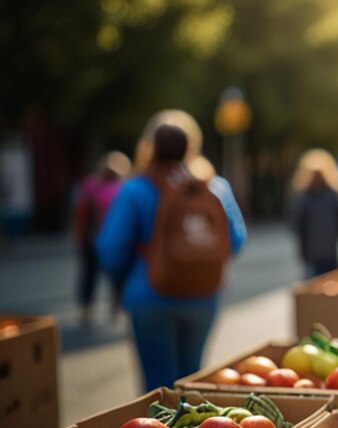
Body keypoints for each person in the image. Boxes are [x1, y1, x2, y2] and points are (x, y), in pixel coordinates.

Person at [96, 122, 246, 392]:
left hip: (150, 297)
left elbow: (110, 249)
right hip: (204, 296)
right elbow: (235, 241)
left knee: (158, 387)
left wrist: (131, 276)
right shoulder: (213, 187)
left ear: (149, 148)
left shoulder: (135, 190)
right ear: (190, 148)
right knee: (191, 382)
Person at [72, 151, 130, 323]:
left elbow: (80, 213)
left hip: (92, 238)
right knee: (116, 276)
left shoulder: (90, 186)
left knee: (89, 275)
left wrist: (79, 236)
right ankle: (117, 309)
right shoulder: (123, 188)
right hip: (112, 240)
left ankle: (86, 308)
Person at [287, 148, 338, 278]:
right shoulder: (336, 193)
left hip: (313, 251)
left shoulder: (303, 196)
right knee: (331, 282)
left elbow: (295, 223)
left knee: (313, 285)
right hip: (331, 249)